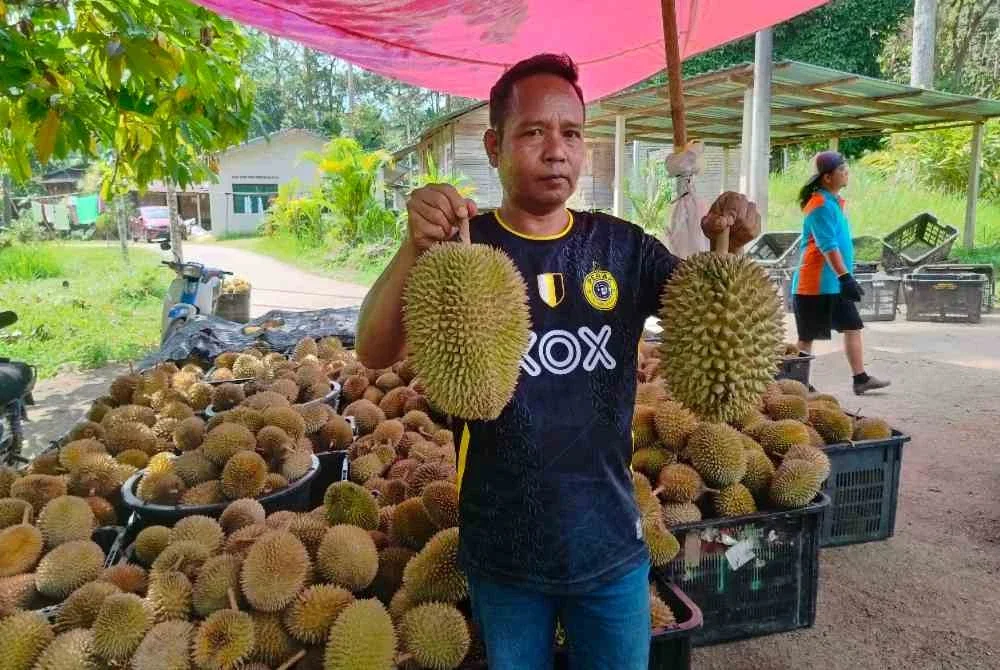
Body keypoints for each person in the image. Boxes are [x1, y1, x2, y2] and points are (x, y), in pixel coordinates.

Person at [355, 53, 716, 670]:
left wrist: (730, 243)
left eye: (571, 133)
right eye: (533, 132)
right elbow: (373, 350)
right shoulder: (460, 252)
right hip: (504, 546)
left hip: (608, 537)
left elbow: (709, 316)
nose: (556, 151)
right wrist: (411, 248)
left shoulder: (622, 246)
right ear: (494, 145)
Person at [790, 151, 890, 395]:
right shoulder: (819, 205)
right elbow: (828, 246)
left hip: (834, 283)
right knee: (807, 337)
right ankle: (796, 383)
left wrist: (844, 278)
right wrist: (845, 277)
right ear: (827, 177)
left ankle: (860, 379)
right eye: (842, 170)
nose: (847, 173)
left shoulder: (833, 203)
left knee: (852, 326)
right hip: (815, 285)